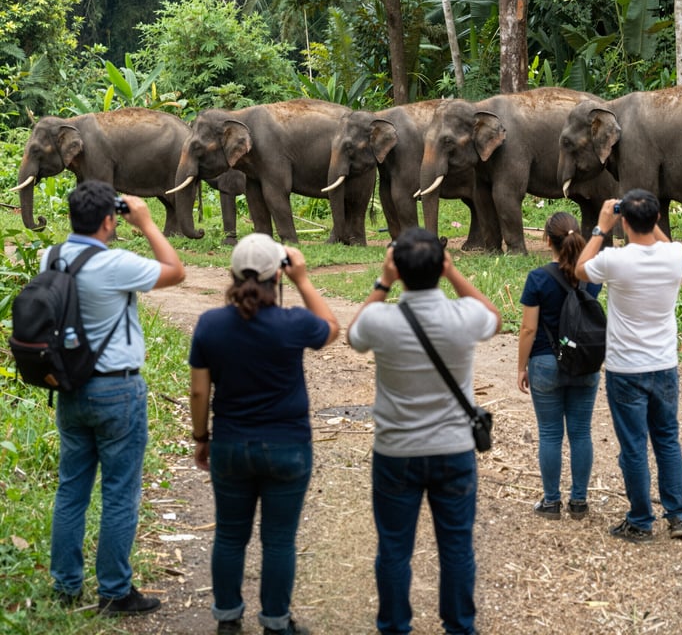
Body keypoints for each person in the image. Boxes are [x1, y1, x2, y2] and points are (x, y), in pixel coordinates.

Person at [348, 228, 501, 635]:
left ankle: (395, 626)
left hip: (395, 451)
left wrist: (383, 281)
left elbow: (353, 334)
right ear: (441, 266)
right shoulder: (462, 317)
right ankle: (459, 626)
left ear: (397, 267)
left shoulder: (381, 320)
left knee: (394, 548)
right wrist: (454, 275)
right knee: (456, 547)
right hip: (454, 450)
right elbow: (495, 318)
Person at [46, 180, 185, 614]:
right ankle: (114, 591)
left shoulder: (51, 258)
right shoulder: (116, 264)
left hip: (69, 388)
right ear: (110, 220)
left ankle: (66, 587)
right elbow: (176, 270)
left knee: (71, 490)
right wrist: (145, 223)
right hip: (117, 389)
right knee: (120, 492)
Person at [189, 233, 339, 635]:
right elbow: (331, 328)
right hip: (288, 446)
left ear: (233, 274)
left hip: (231, 443)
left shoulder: (210, 325)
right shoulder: (293, 323)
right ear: (279, 274)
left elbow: (199, 390)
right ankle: (275, 622)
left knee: (229, 535)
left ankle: (227, 619)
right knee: (278, 540)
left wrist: (202, 436)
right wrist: (303, 280)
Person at [575, 189, 682, 543]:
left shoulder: (615, 261)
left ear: (624, 223)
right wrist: (639, 214)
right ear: (658, 219)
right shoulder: (677, 255)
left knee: (634, 446)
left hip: (626, 368)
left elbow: (581, 270)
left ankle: (641, 521)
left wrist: (600, 227)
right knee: (668, 441)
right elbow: (662, 240)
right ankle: (678, 517)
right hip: (664, 364)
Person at [517, 212, 602, 520]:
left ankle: (551, 501)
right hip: (584, 362)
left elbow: (528, 329)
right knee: (581, 432)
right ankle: (579, 501)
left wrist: (521, 367)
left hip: (544, 363)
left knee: (550, 433)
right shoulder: (591, 277)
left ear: (546, 239)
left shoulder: (537, 278)